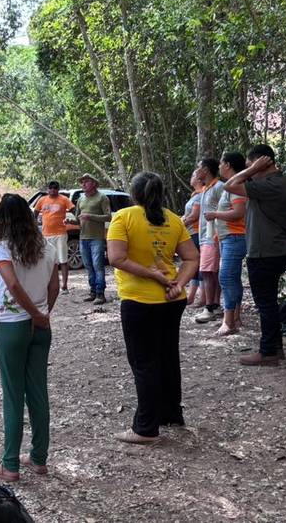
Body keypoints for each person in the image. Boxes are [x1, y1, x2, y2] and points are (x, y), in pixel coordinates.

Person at [107, 172, 199, 444]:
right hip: (172, 300)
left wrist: (154, 276)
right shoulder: (173, 219)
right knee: (167, 356)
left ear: (134, 194)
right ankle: (171, 414)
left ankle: (146, 428)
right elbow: (192, 258)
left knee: (144, 362)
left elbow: (116, 258)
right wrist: (177, 283)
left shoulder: (123, 217)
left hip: (139, 300)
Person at [0, 193, 58, 483]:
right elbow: (54, 286)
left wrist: (33, 314)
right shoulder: (47, 247)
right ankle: (39, 458)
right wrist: (42, 314)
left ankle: (10, 464)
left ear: (1, 219)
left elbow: (13, 285)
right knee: (38, 391)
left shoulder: (1, 248)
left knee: (13, 393)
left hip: (10, 325)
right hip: (41, 326)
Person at [223, 144, 286, 366]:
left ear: (262, 162)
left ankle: (268, 352)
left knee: (265, 304)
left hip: (266, 252)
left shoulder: (271, 184)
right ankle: (276, 348)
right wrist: (254, 169)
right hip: (274, 250)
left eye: (250, 165)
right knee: (269, 302)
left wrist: (252, 169)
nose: (248, 170)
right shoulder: (276, 183)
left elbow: (229, 185)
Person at [204, 152, 248, 336]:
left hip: (235, 237)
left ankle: (228, 322)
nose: (219, 166)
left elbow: (238, 212)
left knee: (226, 278)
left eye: (221, 163)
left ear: (228, 165)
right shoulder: (231, 186)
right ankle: (235, 318)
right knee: (232, 278)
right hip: (228, 237)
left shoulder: (236, 185)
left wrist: (215, 215)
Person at [194, 158, 224, 323]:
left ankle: (209, 308)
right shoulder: (206, 189)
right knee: (212, 271)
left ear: (205, 169)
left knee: (207, 271)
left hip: (213, 236)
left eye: (198, 168)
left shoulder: (219, 187)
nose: (196, 171)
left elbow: (226, 208)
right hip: (205, 235)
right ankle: (215, 306)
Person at [75, 174, 111, 305]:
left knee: (97, 265)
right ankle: (93, 292)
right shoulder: (80, 199)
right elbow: (78, 218)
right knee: (88, 266)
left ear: (94, 183)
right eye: (82, 182)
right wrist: (69, 221)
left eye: (86, 181)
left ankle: (100, 294)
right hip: (83, 237)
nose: (83, 184)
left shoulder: (102, 198)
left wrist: (90, 216)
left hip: (97, 238)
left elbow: (108, 217)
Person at [33, 181, 74, 293]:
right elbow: (35, 214)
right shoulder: (42, 200)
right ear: (48, 189)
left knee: (63, 260)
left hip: (60, 234)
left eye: (55, 188)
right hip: (46, 235)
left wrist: (75, 220)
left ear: (58, 189)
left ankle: (64, 286)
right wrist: (34, 227)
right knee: (47, 260)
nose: (52, 190)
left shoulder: (64, 199)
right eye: (50, 188)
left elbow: (74, 210)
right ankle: (47, 284)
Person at [182, 170, 204, 306]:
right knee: (195, 265)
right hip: (191, 232)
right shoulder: (195, 195)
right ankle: (191, 296)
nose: (191, 177)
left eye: (193, 175)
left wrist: (180, 224)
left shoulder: (201, 195)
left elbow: (194, 216)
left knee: (199, 265)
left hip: (197, 232)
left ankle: (202, 297)